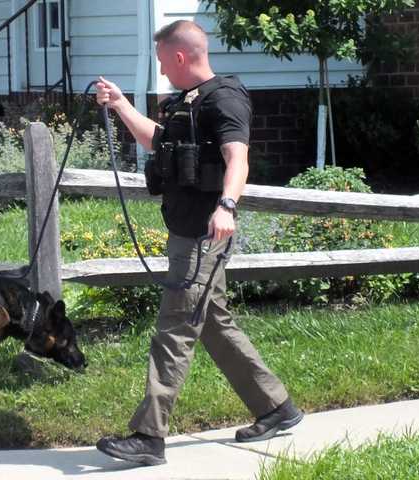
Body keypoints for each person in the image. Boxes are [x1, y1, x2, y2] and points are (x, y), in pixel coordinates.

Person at [94, 20, 303, 467]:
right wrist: (121, 105)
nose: (161, 69)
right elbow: (158, 141)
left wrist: (226, 205)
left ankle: (149, 436)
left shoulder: (223, 98)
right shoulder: (184, 103)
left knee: (174, 328)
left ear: (180, 57)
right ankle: (276, 407)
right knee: (214, 325)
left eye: (162, 60)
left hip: (204, 235)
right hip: (186, 231)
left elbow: (238, 157)